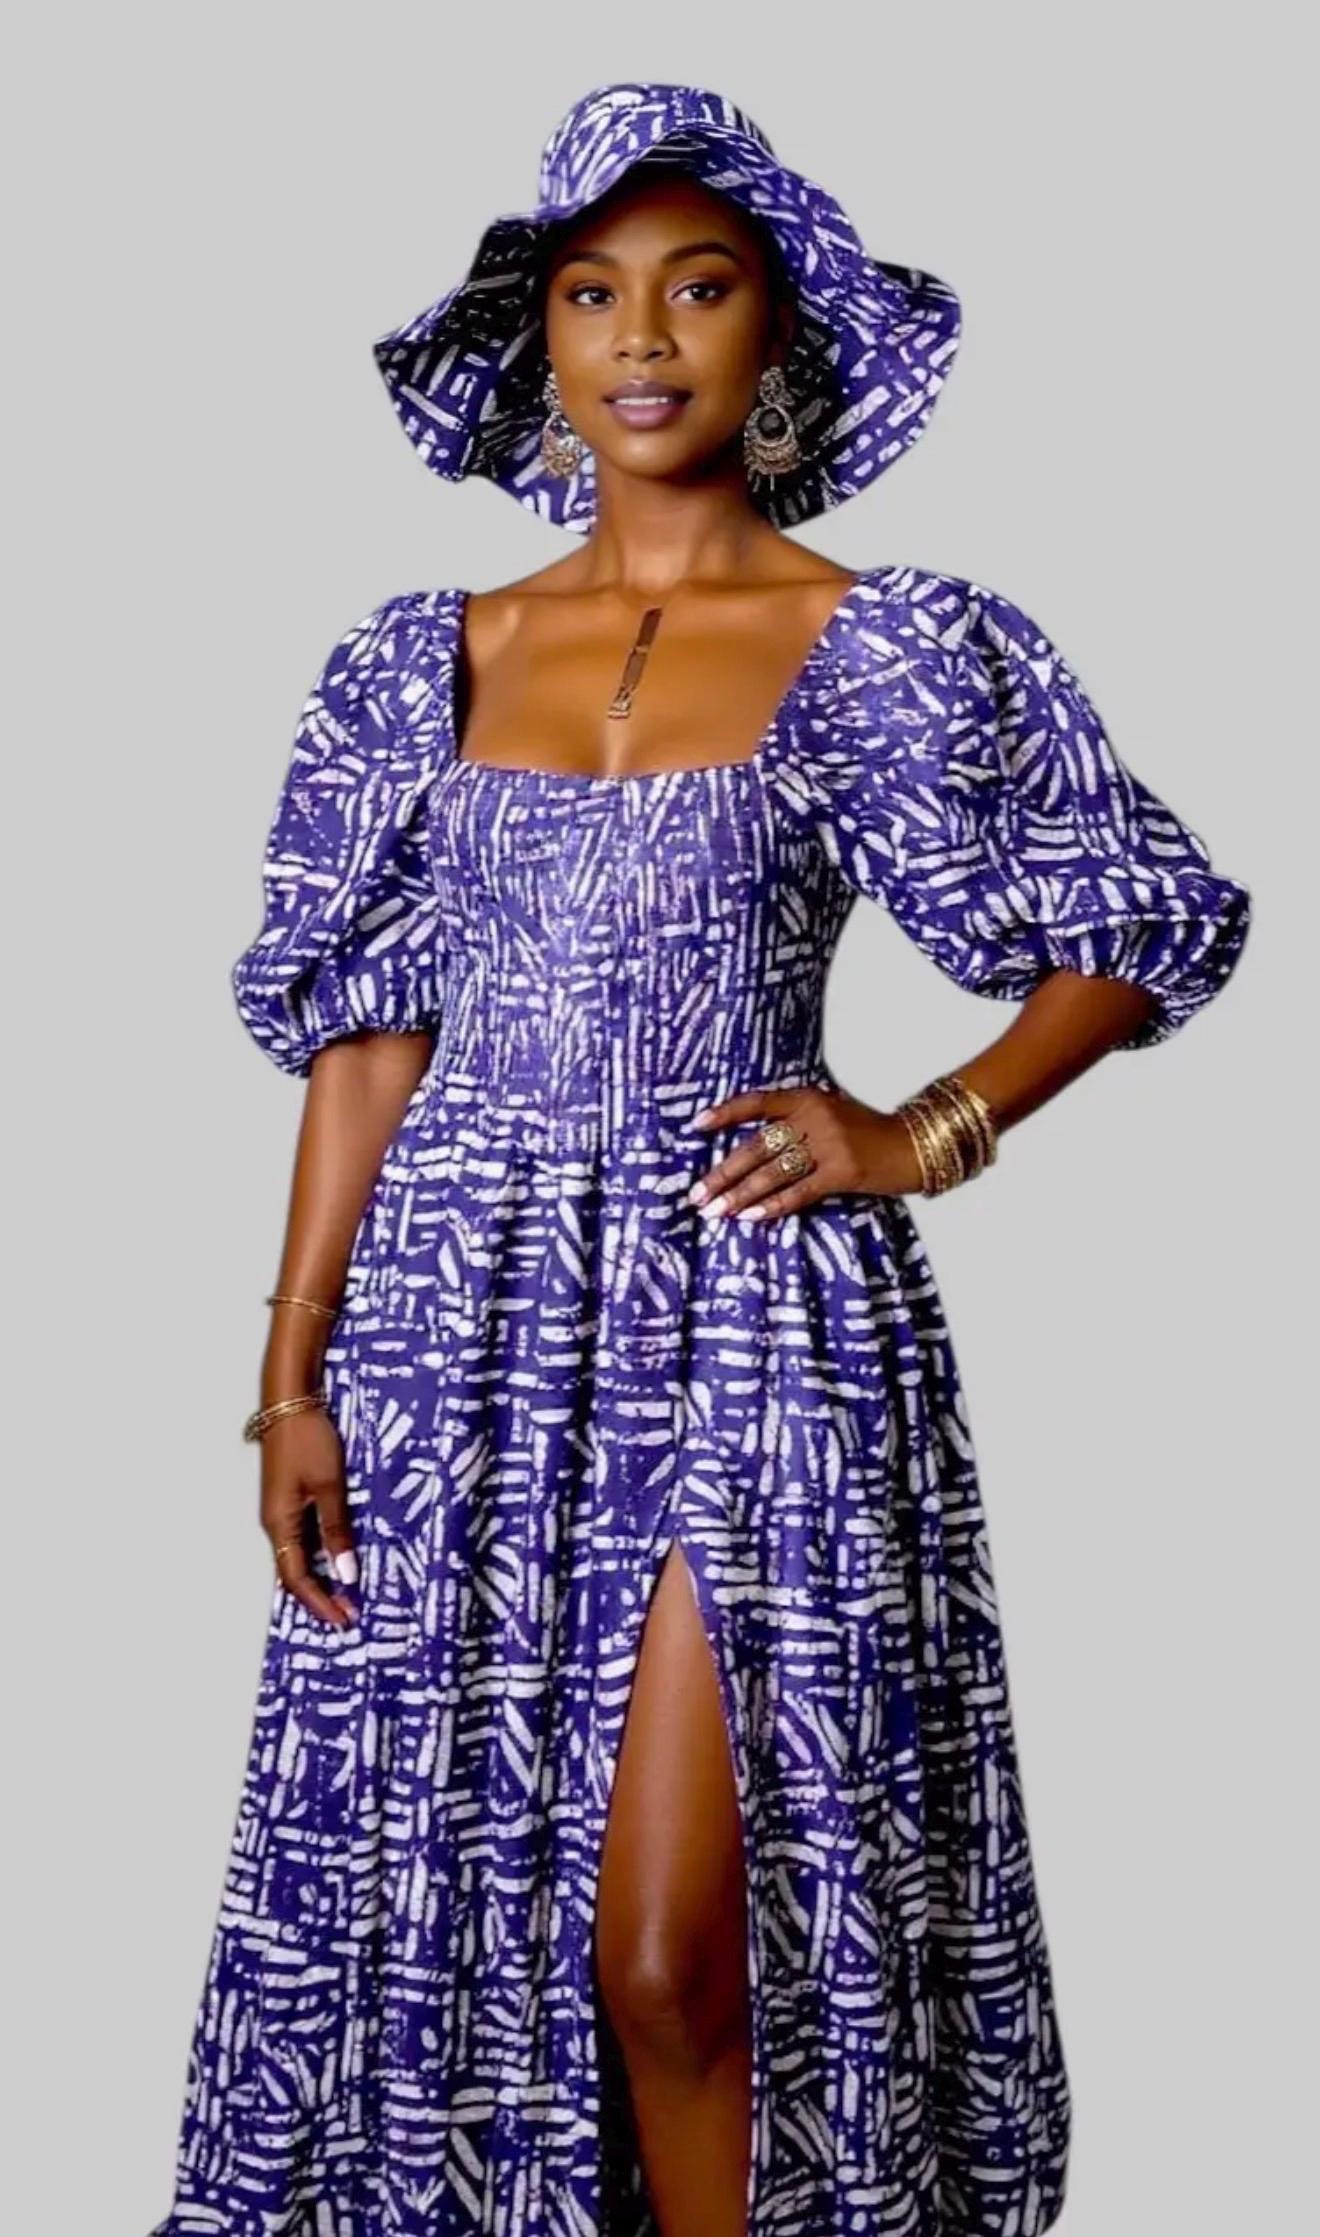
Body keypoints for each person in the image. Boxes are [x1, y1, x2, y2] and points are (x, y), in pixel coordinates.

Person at [148, 80, 1252, 2237]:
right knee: (464, 1920)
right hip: (453, 1327)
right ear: (539, 339)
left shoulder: (891, 644)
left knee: (674, 1958)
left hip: (757, 1308)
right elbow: (366, 1044)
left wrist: (923, 1130)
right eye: (591, 293)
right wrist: (287, 1379)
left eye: (700, 286)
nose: (642, 336)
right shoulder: (417, 662)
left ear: (782, 332)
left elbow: (1142, 919)